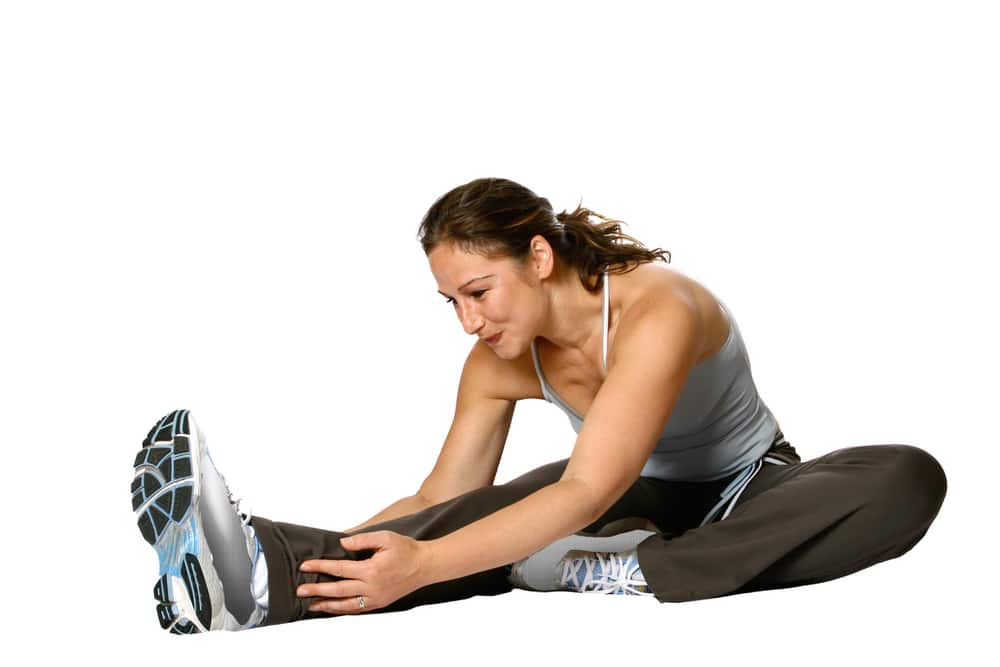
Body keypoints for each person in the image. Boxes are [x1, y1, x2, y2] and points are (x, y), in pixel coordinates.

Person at [130, 177, 948, 634]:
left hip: (752, 488)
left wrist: (433, 562)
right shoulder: (495, 363)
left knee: (907, 477)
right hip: (633, 492)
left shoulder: (656, 309)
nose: (469, 319)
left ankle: (624, 569)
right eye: (449, 301)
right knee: (471, 524)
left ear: (540, 255)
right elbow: (437, 502)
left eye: (478, 291)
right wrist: (368, 556)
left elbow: (584, 493)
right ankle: (252, 575)